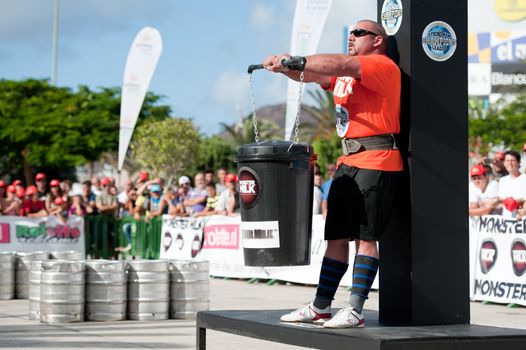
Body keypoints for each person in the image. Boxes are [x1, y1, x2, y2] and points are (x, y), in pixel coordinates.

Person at [265, 20, 402, 328]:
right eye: (351, 33)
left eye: (360, 33)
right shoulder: (346, 75)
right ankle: (321, 306)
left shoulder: (380, 65)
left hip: (377, 159)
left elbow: (339, 63)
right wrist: (282, 65)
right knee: (336, 238)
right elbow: (312, 75)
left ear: (378, 40)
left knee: (365, 239)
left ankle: (355, 309)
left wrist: (296, 59)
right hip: (348, 161)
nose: (351, 37)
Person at [498, 150, 526, 219]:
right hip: (507, 223)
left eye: (512, 160)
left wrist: (516, 202)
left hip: (521, 222)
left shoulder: (524, 178)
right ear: (504, 163)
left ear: (519, 162)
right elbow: (501, 200)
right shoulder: (502, 180)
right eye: (507, 160)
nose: (509, 163)